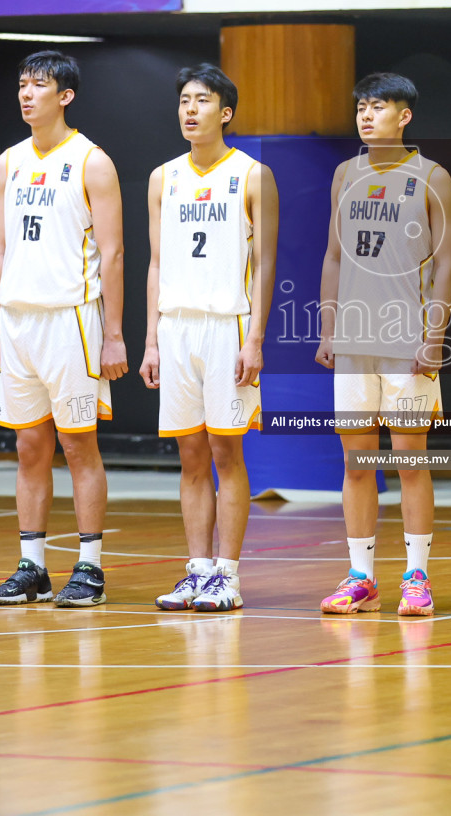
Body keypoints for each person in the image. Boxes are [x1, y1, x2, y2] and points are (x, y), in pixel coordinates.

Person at [0, 52, 127, 607]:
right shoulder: (7, 162)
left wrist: (113, 333)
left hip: (73, 317)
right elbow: (3, 250)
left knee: (77, 444)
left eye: (38, 86)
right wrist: (2, 324)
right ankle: (32, 567)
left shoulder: (92, 162)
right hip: (19, 320)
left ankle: (89, 567)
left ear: (64, 96)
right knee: (28, 447)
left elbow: (112, 252)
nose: (26, 94)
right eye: (21, 84)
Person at [314, 72, 451, 616]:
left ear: (405, 116)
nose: (366, 116)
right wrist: (327, 328)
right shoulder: (344, 174)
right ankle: (360, 577)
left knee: (410, 460)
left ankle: (416, 576)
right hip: (353, 342)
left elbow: (447, 262)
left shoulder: (431, 177)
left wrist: (436, 335)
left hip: (407, 342)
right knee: (355, 463)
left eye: (378, 107)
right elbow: (332, 255)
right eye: (361, 108)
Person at [144, 64, 278, 613]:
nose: (189, 110)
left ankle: (228, 574)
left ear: (225, 112)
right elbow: (156, 261)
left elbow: (265, 263)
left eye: (201, 100)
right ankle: (197, 570)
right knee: (190, 456)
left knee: (227, 451)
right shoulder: (163, 177)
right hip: (176, 327)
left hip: (228, 326)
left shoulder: (251, 175)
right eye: (183, 100)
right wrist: (152, 339)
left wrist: (255, 340)